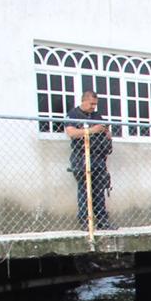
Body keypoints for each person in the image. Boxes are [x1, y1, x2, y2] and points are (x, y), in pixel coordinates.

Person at [64, 90, 115, 230]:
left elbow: (105, 131)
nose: (93, 107)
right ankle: (86, 222)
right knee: (85, 190)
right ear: (84, 100)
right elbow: (71, 133)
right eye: (91, 104)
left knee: (99, 190)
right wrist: (92, 130)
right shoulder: (73, 114)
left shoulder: (97, 115)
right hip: (82, 157)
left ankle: (102, 221)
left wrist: (107, 133)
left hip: (98, 157)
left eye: (95, 104)